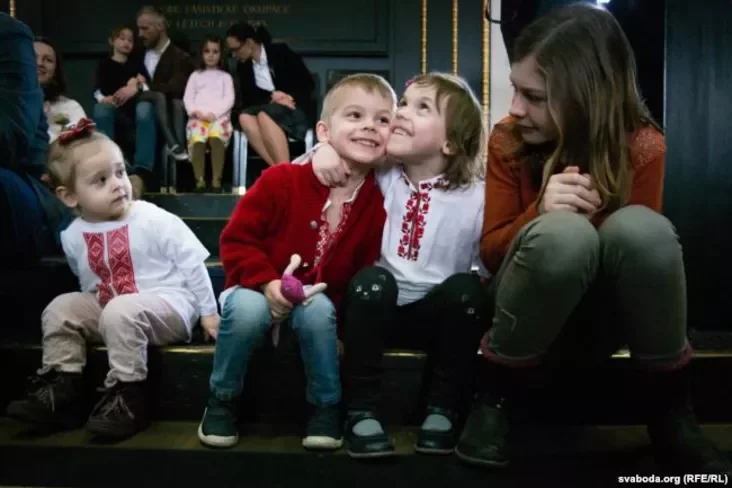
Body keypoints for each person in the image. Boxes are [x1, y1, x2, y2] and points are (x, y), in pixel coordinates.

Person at [454, 3, 732, 475]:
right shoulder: (507, 139)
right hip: (522, 317)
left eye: (534, 96)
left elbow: (637, 260)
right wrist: (540, 212)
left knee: (644, 229)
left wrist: (590, 221)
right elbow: (493, 254)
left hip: (604, 319)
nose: (516, 108)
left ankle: (671, 413)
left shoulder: (643, 145)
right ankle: (493, 402)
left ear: (584, 96)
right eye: (516, 90)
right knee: (563, 234)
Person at [197, 74, 394, 451]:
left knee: (318, 310)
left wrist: (340, 330)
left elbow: (360, 269)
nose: (370, 126)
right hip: (256, 286)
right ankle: (222, 398)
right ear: (324, 131)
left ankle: (325, 406)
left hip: (315, 302)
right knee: (248, 310)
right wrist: (267, 282)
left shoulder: (376, 203)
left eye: (383, 120)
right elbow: (236, 240)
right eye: (355, 115)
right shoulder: (282, 179)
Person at [302, 73, 488, 458]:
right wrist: (322, 150)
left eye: (422, 108)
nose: (401, 113)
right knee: (373, 281)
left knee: (467, 291)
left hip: (435, 316)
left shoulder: (476, 197)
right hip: (374, 310)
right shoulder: (380, 173)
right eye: (403, 103)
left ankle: (442, 408)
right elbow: (306, 169)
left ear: (451, 143)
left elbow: (488, 266)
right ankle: (360, 410)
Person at [5, 119, 220, 439]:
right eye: (101, 180)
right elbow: (87, 281)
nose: (118, 184)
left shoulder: (152, 217)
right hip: (113, 308)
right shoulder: (73, 235)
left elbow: (193, 264)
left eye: (120, 172)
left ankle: (128, 394)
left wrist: (208, 312)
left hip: (170, 304)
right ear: (69, 196)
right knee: (60, 308)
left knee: (121, 310)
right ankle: (61, 388)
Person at [0, 13, 61, 266]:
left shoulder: (8, 34)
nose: (42, 64)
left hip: (20, 179)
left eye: (48, 60)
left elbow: (10, 140)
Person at [225, 22, 315, 167]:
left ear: (249, 43)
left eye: (235, 49)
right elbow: (249, 101)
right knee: (244, 118)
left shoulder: (280, 52)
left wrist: (289, 97)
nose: (234, 55)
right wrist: (273, 98)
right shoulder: (243, 67)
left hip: (294, 108)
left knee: (264, 115)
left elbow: (308, 83)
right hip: (269, 109)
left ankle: (283, 171)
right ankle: (281, 170)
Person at [183, 36, 235, 192]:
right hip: (198, 118)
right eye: (207, 51)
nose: (211, 55)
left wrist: (215, 114)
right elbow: (188, 97)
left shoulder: (225, 77)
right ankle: (199, 180)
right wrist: (195, 111)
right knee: (198, 141)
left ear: (221, 54)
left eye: (215, 51)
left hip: (219, 118)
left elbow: (229, 99)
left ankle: (216, 180)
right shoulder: (195, 76)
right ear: (201, 54)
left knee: (216, 139)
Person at [92, 26, 145, 158]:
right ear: (112, 41)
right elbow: (97, 90)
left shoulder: (136, 65)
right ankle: (107, 157)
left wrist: (137, 85)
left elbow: (145, 85)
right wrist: (103, 99)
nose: (126, 42)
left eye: (130, 40)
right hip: (113, 107)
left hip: (132, 110)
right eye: (122, 38)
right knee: (102, 109)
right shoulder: (104, 64)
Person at [35, 38, 86, 144]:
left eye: (48, 60)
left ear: (55, 71)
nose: (39, 63)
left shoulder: (69, 107)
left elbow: (81, 144)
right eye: (32, 57)